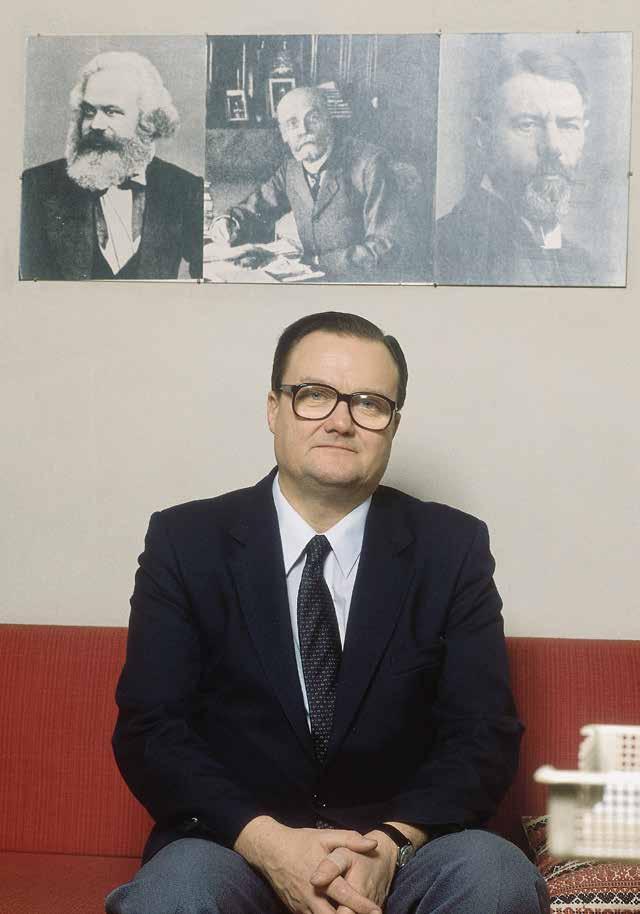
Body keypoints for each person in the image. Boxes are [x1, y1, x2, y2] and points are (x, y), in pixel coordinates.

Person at [105, 311, 549, 914]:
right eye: (314, 394)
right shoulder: (185, 541)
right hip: (234, 845)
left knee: (494, 876)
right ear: (274, 409)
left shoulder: (452, 548)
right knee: (174, 895)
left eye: (369, 403)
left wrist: (390, 845)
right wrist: (269, 844)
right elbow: (151, 730)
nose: (341, 421)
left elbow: (483, 735)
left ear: (393, 425)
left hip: (401, 851)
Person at [20, 51, 203, 280]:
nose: (96, 124)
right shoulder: (37, 186)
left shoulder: (185, 189)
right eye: (89, 112)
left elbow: (209, 272)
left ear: (146, 121)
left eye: (111, 111)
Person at [210, 88, 410, 282]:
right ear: (284, 134)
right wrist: (228, 223)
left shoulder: (371, 163)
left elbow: (386, 246)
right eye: (292, 123)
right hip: (311, 281)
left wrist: (315, 262)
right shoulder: (291, 169)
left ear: (328, 121)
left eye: (312, 119)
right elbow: (257, 207)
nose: (303, 130)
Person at [436, 50, 596, 285]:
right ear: (483, 136)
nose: (553, 146)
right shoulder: (443, 248)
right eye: (527, 125)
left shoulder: (583, 266)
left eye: (568, 126)